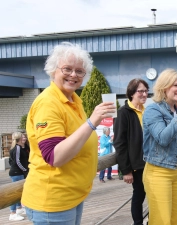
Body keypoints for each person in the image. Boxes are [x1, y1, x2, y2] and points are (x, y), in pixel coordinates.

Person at [21, 42, 116, 225]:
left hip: (71, 196)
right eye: (67, 69)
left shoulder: (73, 100)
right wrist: (92, 122)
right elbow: (54, 156)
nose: (73, 75)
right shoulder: (48, 103)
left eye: (79, 71)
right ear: (53, 70)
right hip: (53, 201)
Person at [142, 68, 177, 225]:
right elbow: (163, 138)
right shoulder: (153, 109)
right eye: (176, 85)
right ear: (164, 87)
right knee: (162, 221)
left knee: (175, 220)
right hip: (159, 172)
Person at [113, 78, 148, 225]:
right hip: (136, 164)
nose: (144, 94)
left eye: (146, 91)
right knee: (139, 195)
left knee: (152, 193)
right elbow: (119, 143)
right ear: (132, 93)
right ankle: (138, 222)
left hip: (150, 161)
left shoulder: (147, 111)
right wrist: (126, 170)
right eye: (141, 91)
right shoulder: (124, 112)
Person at [8, 132, 29, 221]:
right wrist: (25, 170)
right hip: (17, 173)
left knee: (19, 192)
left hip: (19, 172)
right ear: (19, 139)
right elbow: (17, 161)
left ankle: (19, 209)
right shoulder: (17, 148)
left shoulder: (20, 147)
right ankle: (12, 213)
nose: (24, 138)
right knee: (15, 193)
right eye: (22, 137)